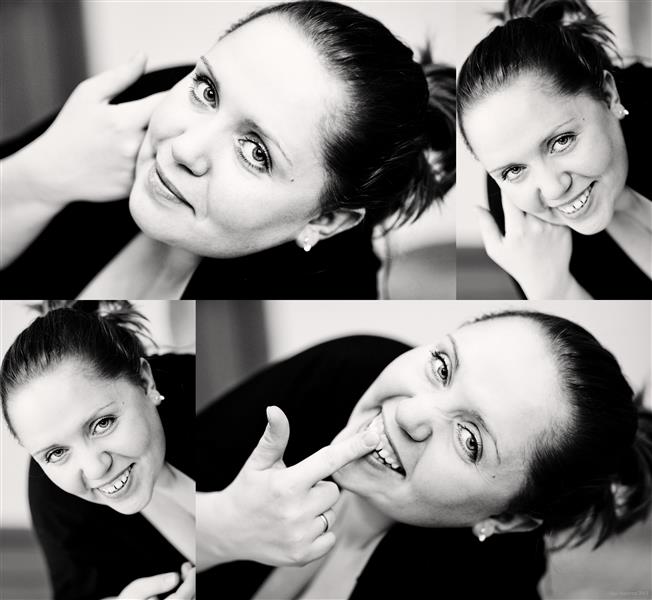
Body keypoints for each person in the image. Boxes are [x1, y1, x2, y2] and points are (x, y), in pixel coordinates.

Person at [0, 1, 455, 300]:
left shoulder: (330, 290)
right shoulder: (145, 106)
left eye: (256, 152)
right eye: (207, 90)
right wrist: (35, 178)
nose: (184, 147)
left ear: (325, 220)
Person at [195, 310, 652, 598]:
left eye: (470, 440)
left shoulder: (486, 586)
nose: (408, 413)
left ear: (507, 519)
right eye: (442, 366)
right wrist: (220, 528)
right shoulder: (344, 371)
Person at [0, 301, 196, 599]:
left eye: (102, 424)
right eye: (55, 453)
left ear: (146, 383)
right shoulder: (51, 497)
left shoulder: (193, 387)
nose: (95, 469)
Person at [457, 0, 652, 299]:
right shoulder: (526, 229)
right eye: (514, 170)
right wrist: (552, 289)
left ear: (608, 95)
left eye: (561, 141)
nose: (553, 189)